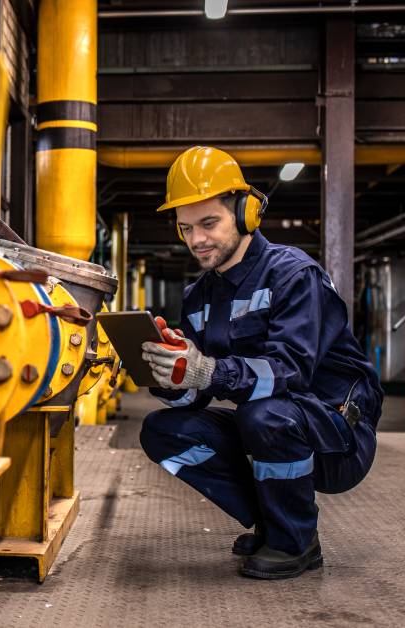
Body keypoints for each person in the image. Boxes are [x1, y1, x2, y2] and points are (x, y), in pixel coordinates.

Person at [138, 146, 382, 579]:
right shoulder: (199, 296)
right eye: (186, 227)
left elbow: (288, 371)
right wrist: (169, 374)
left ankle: (296, 542)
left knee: (264, 414)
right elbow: (196, 394)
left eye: (209, 223)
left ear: (246, 213)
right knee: (163, 430)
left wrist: (209, 370)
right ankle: (275, 520)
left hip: (338, 431)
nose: (197, 239)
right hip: (269, 420)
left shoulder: (292, 275)